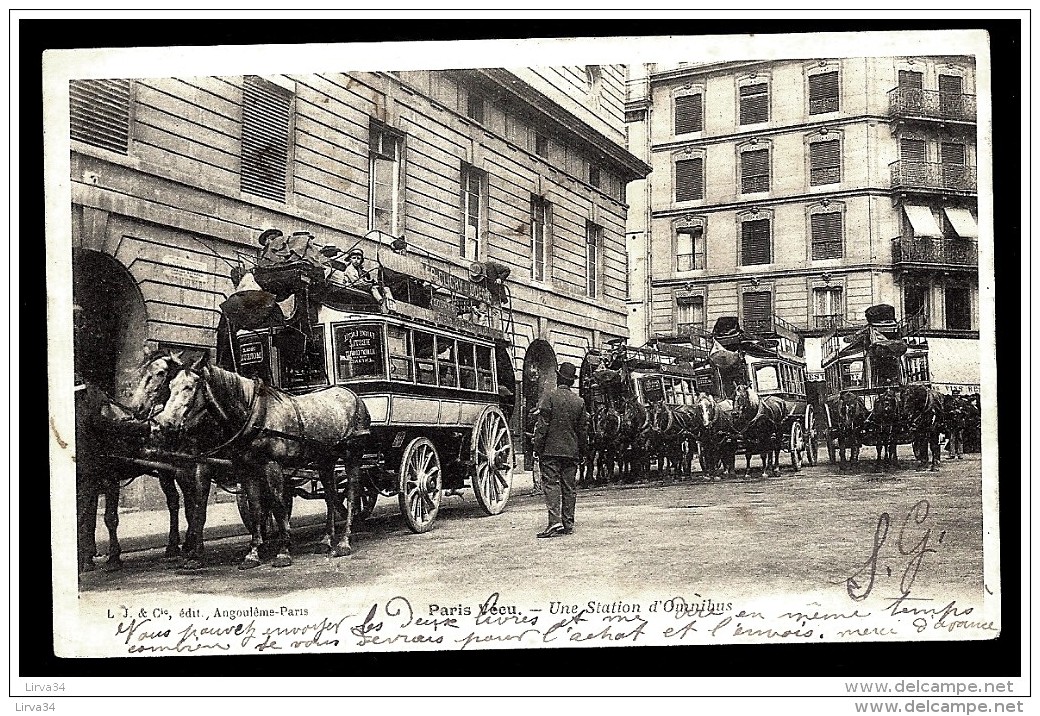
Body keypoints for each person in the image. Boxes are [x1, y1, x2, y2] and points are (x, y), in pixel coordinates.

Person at [531, 361, 589, 538]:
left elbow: (542, 427)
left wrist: (537, 447)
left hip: (550, 451)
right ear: (572, 381)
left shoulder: (549, 398)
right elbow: (582, 431)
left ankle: (554, 522)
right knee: (569, 487)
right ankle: (568, 524)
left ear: (558, 377)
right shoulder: (579, 402)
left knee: (551, 485)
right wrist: (583, 452)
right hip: (571, 451)